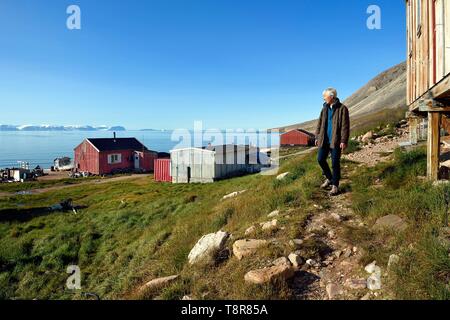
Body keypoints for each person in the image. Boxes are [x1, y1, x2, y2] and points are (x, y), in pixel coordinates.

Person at [314, 88, 350, 196]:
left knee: (335, 163)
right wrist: (317, 137)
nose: (323, 98)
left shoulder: (342, 109)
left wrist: (343, 140)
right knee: (320, 159)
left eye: (325, 96)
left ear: (331, 96)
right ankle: (329, 178)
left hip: (336, 140)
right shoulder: (324, 108)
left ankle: (335, 186)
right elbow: (319, 123)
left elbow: (345, 126)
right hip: (324, 140)